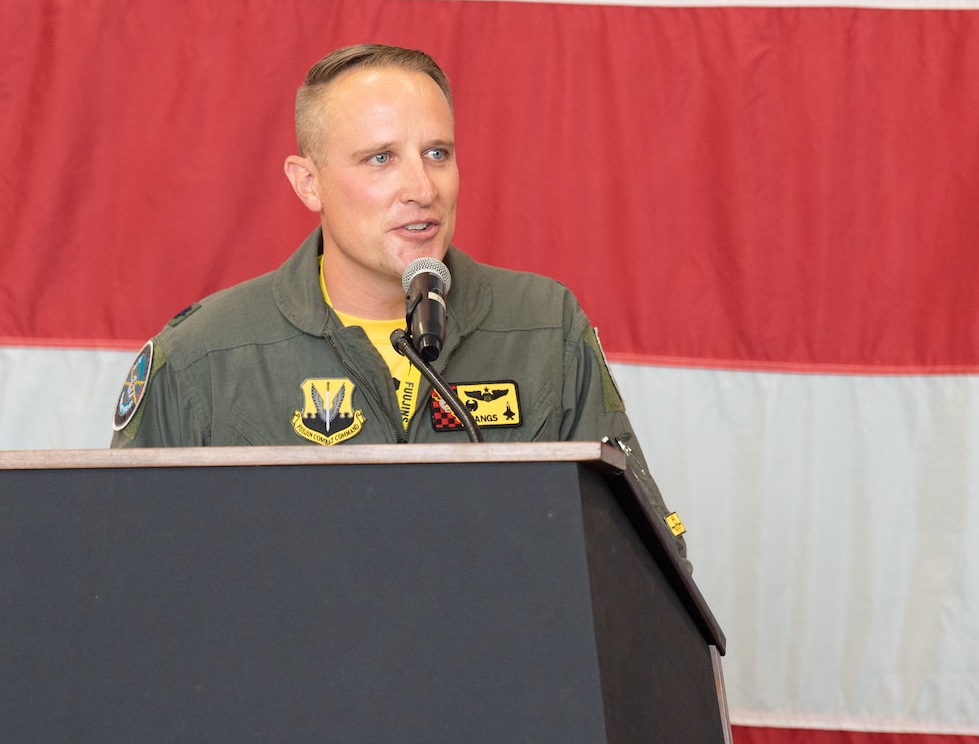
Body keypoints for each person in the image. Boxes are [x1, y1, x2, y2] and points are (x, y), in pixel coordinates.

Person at [110, 43, 687, 555]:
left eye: (437, 153)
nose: (422, 189)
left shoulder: (543, 328)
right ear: (307, 182)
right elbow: (127, 579)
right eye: (380, 158)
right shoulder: (201, 359)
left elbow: (640, 564)